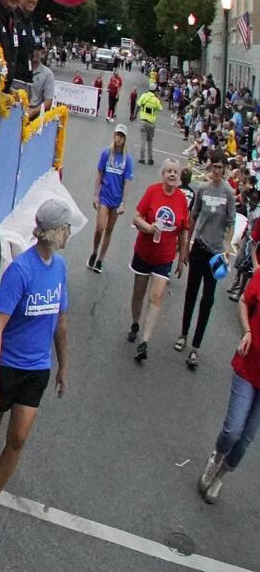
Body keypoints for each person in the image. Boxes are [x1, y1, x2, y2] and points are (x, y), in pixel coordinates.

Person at [0, 198, 72, 539]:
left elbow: (60, 322)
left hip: (37, 370)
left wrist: (63, 366)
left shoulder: (61, 268)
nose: (70, 234)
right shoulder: (21, 271)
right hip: (7, 366)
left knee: (18, 439)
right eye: (67, 228)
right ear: (54, 232)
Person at [197, 238, 260, 503]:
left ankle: (221, 475)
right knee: (233, 430)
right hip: (248, 364)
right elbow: (245, 301)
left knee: (245, 439)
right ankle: (217, 456)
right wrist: (247, 331)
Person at [128, 158, 191, 362]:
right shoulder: (153, 191)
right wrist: (148, 227)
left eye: (175, 172)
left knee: (156, 297)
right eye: (169, 171)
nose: (172, 174)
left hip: (164, 257)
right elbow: (136, 217)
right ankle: (135, 323)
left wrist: (181, 256)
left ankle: (144, 342)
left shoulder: (182, 199)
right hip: (144, 251)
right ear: (163, 174)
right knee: (139, 293)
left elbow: (182, 230)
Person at [178, 155, 236, 370]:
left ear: (226, 170)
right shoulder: (202, 188)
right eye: (216, 166)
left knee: (208, 299)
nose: (218, 170)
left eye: (222, 167)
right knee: (191, 292)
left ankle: (196, 346)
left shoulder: (229, 193)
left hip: (215, 253)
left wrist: (227, 246)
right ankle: (183, 334)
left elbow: (231, 222)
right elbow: (193, 217)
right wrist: (186, 246)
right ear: (211, 167)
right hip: (199, 247)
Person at [89, 125, 135, 271]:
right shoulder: (106, 153)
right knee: (100, 227)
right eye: (117, 135)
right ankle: (95, 251)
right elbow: (99, 174)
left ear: (125, 138)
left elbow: (127, 182)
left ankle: (101, 259)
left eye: (122, 136)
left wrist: (123, 203)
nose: (119, 139)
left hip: (116, 199)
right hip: (105, 197)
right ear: (114, 136)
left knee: (109, 229)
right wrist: (95, 195)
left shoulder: (127, 159)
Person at [135, 81, 162, 164]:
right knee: (150, 141)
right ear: (155, 90)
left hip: (143, 121)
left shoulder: (144, 96)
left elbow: (138, 105)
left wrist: (135, 115)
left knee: (142, 140)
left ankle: (142, 158)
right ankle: (150, 159)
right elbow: (160, 108)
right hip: (151, 123)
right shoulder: (155, 100)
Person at [27, 43, 55, 120]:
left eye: (38, 50)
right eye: (33, 49)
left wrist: (33, 112)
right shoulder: (21, 69)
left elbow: (49, 101)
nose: (36, 53)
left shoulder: (48, 74)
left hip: (35, 115)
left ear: (42, 53)